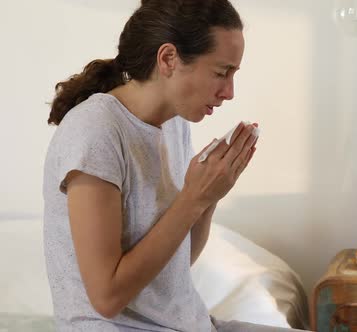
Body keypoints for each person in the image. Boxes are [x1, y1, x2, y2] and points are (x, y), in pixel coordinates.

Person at [43, 1, 307, 331]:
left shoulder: (174, 124)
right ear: (168, 59)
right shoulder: (95, 130)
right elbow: (106, 297)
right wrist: (193, 199)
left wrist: (210, 197)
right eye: (221, 72)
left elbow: (173, 269)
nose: (229, 92)